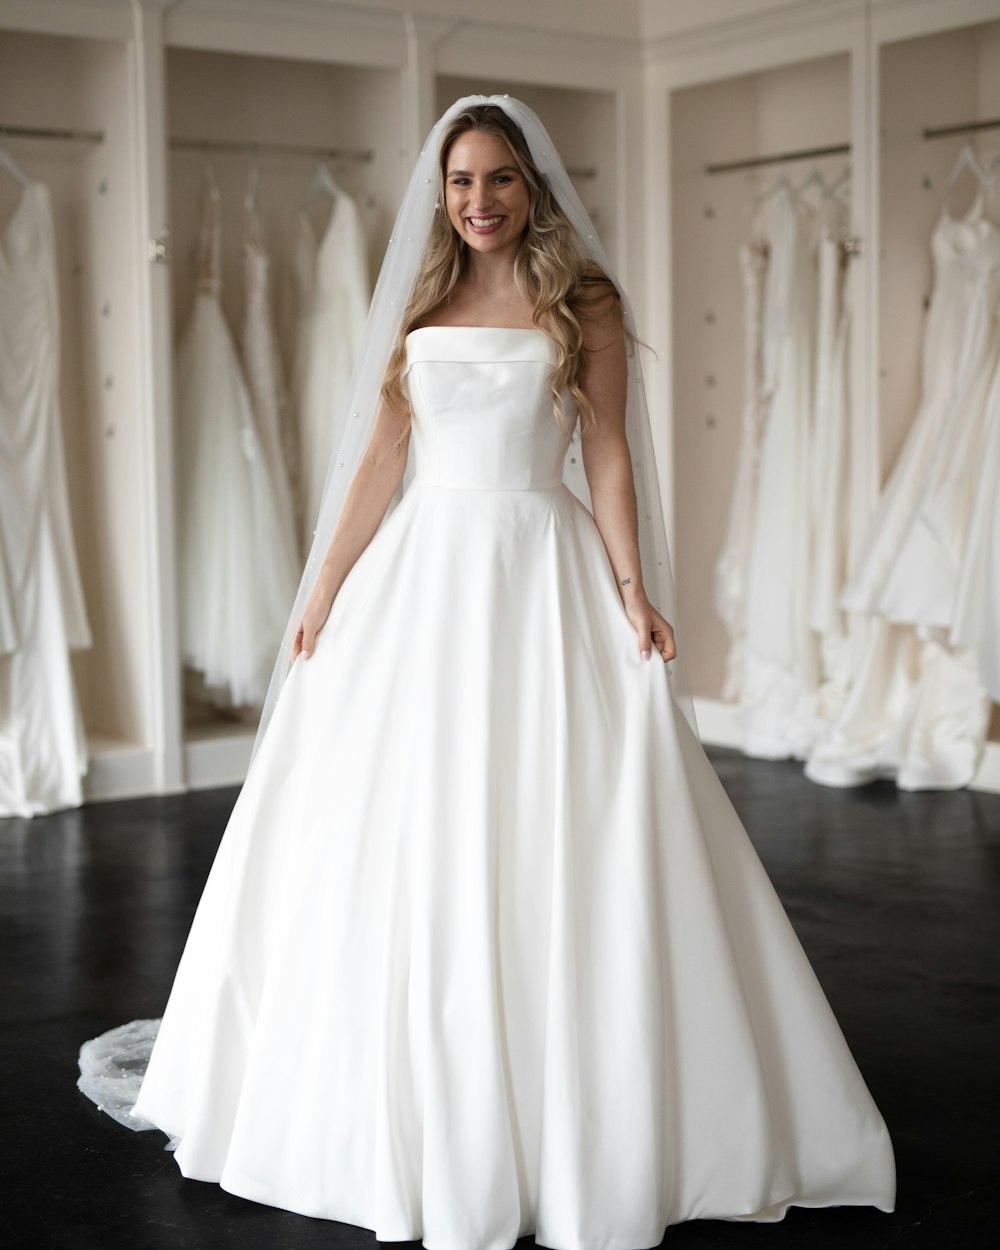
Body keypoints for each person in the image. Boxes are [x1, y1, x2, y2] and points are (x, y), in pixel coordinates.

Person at [80, 96, 896, 1248]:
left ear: (533, 187)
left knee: (547, 813)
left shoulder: (584, 302)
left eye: (500, 179)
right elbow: (380, 455)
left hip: (539, 565)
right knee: (405, 823)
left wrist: (629, 588)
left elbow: (605, 450)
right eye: (461, 180)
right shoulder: (420, 301)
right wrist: (321, 593)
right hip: (421, 574)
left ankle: (570, 1098)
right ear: (441, 190)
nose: (479, 201)